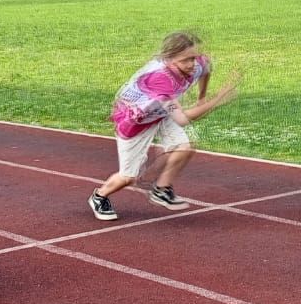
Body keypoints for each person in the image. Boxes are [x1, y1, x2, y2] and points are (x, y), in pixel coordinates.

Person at [88, 31, 239, 221]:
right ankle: (99, 196)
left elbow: (206, 67)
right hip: (135, 122)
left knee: (185, 146)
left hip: (161, 113)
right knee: (128, 177)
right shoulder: (160, 79)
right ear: (169, 59)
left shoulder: (196, 63)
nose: (192, 64)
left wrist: (202, 96)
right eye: (186, 60)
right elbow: (182, 118)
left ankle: (161, 189)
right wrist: (218, 99)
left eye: (194, 58)